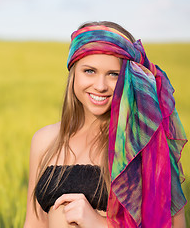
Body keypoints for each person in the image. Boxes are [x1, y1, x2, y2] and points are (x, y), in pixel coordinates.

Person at [23, 21, 187, 228]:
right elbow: (34, 222)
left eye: (113, 74)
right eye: (89, 71)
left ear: (131, 78)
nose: (100, 86)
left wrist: (97, 223)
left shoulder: (145, 146)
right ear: (73, 73)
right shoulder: (44, 140)